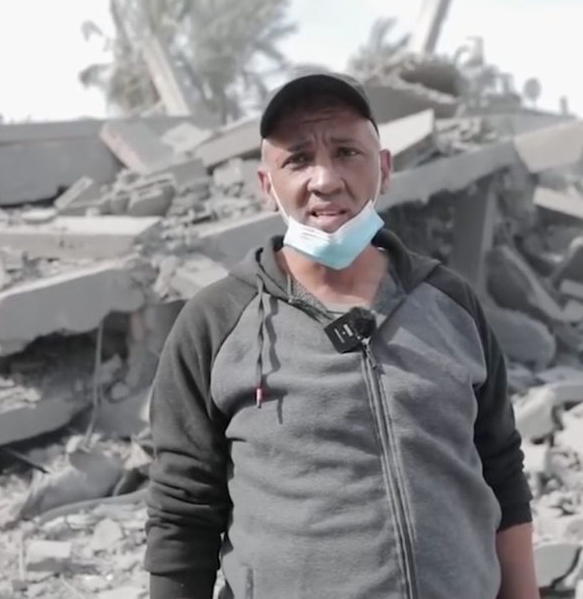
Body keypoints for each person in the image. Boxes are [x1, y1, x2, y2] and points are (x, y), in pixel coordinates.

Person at [143, 71, 539, 599]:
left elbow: (501, 470)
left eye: (347, 152)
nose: (325, 180)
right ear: (266, 186)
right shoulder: (215, 322)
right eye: (298, 159)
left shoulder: (451, 304)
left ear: (384, 169)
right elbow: (183, 510)